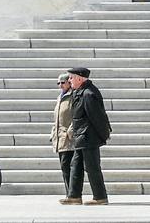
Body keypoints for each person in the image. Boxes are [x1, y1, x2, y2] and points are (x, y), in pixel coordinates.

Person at [64, 66, 112, 206]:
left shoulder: (89, 94)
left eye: (71, 78)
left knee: (92, 167)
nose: (69, 80)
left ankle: (100, 197)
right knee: (75, 166)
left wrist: (103, 135)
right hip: (81, 137)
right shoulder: (79, 92)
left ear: (79, 79)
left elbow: (98, 118)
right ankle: (74, 196)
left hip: (89, 137)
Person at [52, 74, 78, 203]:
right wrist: (53, 133)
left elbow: (76, 115)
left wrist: (70, 132)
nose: (60, 85)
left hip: (68, 138)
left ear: (69, 82)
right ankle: (69, 194)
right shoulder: (60, 97)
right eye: (58, 83)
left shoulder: (73, 96)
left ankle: (72, 194)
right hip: (59, 138)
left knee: (68, 166)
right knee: (64, 167)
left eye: (62, 82)